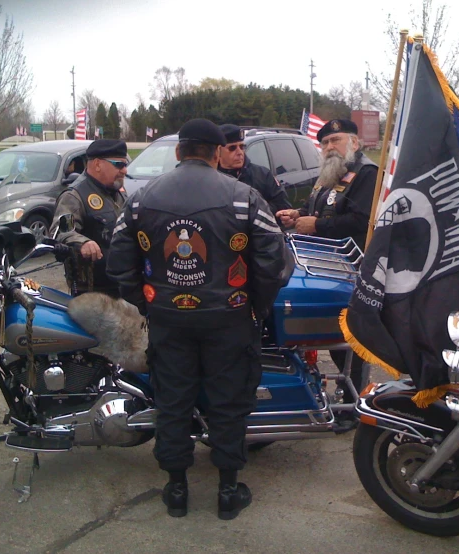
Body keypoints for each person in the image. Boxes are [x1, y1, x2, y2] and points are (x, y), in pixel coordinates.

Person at [107, 119, 287, 520]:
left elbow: (118, 263)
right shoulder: (245, 197)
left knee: (172, 401)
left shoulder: (139, 199)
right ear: (217, 153)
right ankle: (227, 491)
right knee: (229, 401)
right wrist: (254, 307)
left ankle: (176, 491)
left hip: (169, 320)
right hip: (230, 319)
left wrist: (150, 302)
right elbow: (274, 263)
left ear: (178, 151)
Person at [276, 119, 378, 405]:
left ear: (354, 143)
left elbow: (362, 221)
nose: (330, 147)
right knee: (332, 336)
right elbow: (315, 208)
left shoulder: (366, 174)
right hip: (326, 267)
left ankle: (354, 403)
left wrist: (317, 225)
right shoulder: (330, 173)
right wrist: (297, 215)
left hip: (353, 269)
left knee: (349, 341)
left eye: (336, 140)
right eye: (325, 143)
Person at [50, 139, 129, 297]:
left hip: (121, 284)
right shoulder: (74, 196)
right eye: (118, 165)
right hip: (93, 291)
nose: (125, 170)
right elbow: (60, 232)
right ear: (98, 164)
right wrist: (83, 242)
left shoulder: (118, 191)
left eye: (125, 164)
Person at [217, 124, 292, 220]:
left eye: (241, 147)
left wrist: (254, 212)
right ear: (218, 151)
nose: (239, 152)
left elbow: (283, 207)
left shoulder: (262, 174)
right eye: (232, 148)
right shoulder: (211, 178)